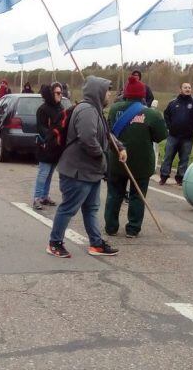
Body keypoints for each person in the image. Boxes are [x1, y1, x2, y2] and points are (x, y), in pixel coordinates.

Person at [47, 76, 125, 258]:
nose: (110, 94)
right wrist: (102, 157)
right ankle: (54, 243)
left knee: (91, 208)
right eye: (107, 90)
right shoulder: (87, 111)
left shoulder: (96, 111)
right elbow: (87, 139)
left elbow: (106, 134)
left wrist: (120, 147)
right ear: (98, 92)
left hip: (90, 172)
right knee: (68, 208)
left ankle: (96, 244)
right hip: (77, 171)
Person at [105, 75, 167, 238]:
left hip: (117, 160)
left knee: (114, 194)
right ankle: (133, 228)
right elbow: (161, 136)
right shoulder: (152, 114)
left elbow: (109, 132)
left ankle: (111, 227)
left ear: (125, 93)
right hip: (141, 163)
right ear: (143, 95)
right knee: (137, 196)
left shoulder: (113, 109)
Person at [33, 83, 65, 210]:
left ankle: (45, 196)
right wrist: (52, 136)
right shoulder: (43, 109)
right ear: (51, 94)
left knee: (50, 173)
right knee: (43, 173)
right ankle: (37, 198)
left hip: (56, 147)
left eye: (61, 93)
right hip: (46, 146)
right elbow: (42, 128)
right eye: (57, 93)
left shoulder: (61, 107)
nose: (60, 95)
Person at [160, 82, 193, 185]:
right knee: (168, 157)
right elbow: (166, 114)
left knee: (185, 158)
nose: (188, 89)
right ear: (180, 89)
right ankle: (164, 176)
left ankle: (180, 178)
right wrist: (169, 126)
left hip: (188, 137)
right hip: (173, 136)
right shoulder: (173, 103)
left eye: (189, 88)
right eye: (185, 87)